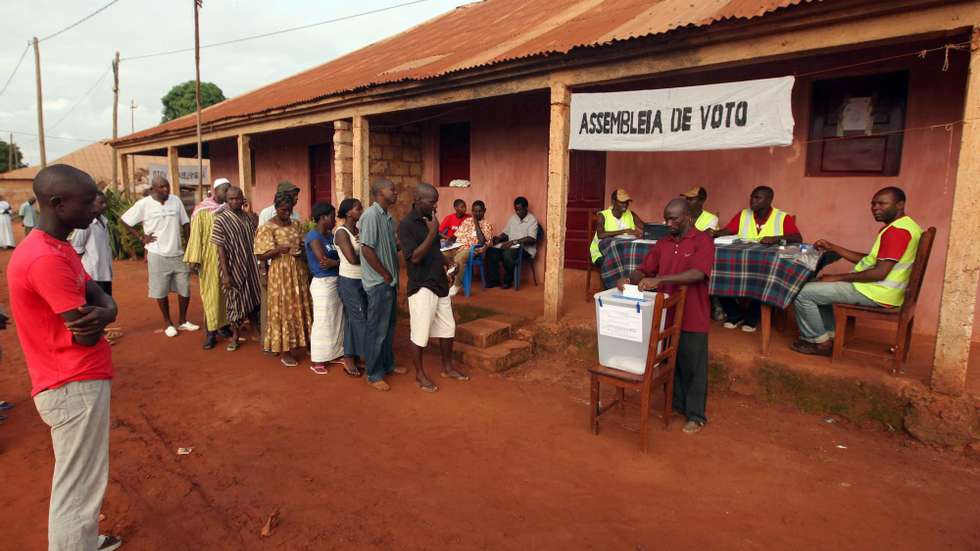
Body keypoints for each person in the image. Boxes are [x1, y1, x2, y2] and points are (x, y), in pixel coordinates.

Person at [8, 164, 123, 551]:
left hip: (74, 378)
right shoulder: (44, 259)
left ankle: (84, 540)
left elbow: (97, 296)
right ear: (58, 204)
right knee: (78, 483)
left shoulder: (58, 247)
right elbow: (87, 334)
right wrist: (106, 312)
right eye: (87, 200)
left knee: (84, 477)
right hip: (71, 381)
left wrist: (108, 309)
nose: (96, 206)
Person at [617, 198, 714, 435]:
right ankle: (676, 405)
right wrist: (630, 278)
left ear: (688, 217)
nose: (669, 223)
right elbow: (645, 268)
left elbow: (697, 274)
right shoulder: (663, 243)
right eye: (666, 218)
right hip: (666, 315)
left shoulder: (703, 241)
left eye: (674, 219)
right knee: (671, 362)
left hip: (694, 314)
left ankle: (695, 415)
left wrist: (661, 280)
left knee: (693, 366)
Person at [790, 187, 922, 356]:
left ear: (900, 205)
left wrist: (837, 277)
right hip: (885, 290)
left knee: (801, 292)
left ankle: (818, 342)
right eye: (873, 204)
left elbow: (879, 273)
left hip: (877, 291)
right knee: (818, 286)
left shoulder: (896, 232)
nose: (875, 208)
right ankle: (831, 336)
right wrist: (833, 247)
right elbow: (871, 261)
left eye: (882, 203)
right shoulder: (908, 227)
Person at [398, 183, 470, 392]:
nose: (435, 207)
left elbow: (435, 251)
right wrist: (432, 232)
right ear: (418, 200)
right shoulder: (406, 225)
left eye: (436, 202)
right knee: (420, 332)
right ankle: (420, 374)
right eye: (432, 202)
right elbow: (415, 257)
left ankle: (448, 367)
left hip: (438, 282)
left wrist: (449, 263)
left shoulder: (429, 220)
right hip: (421, 285)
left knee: (448, 328)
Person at [714, 186, 802, 332]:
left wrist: (776, 238)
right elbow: (728, 231)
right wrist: (715, 233)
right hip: (741, 262)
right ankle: (734, 313)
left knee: (764, 279)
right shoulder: (743, 214)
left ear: (769, 200)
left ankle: (752, 316)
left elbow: (797, 238)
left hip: (765, 265)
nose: (752, 201)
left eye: (757, 198)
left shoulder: (782, 217)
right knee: (718, 273)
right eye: (751, 197)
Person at [121, 176, 199, 338]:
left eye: (167, 186)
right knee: (160, 289)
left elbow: (185, 223)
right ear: (153, 189)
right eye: (162, 187)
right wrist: (142, 238)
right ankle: (168, 323)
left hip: (178, 253)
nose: (166, 190)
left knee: (184, 287)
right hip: (157, 253)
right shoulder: (144, 204)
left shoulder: (176, 201)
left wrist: (188, 246)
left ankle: (183, 321)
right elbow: (125, 221)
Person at [254, 190, 312, 367]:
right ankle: (286, 350)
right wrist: (279, 250)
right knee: (284, 309)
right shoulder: (267, 227)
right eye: (283, 210)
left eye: (289, 210)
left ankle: (306, 342)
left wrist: (301, 248)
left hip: (298, 270)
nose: (287, 213)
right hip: (280, 273)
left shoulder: (296, 224)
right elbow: (261, 255)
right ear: (276, 208)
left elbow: (302, 243)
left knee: (301, 305)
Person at [359, 179, 404, 391]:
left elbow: (391, 246)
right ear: (379, 192)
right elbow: (366, 249)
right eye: (391, 189)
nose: (395, 192)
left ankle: (387, 365)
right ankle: (373, 373)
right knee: (377, 329)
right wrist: (385, 274)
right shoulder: (370, 216)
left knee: (389, 327)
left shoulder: (388, 218)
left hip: (390, 282)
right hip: (379, 283)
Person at [212, 187, 262, 352]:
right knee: (234, 301)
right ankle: (234, 336)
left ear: (243, 200)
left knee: (254, 298)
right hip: (233, 267)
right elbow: (220, 249)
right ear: (226, 200)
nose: (235, 202)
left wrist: (255, 223)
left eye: (238, 198)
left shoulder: (248, 218)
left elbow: (257, 238)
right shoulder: (220, 219)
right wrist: (226, 274)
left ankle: (256, 330)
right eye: (231, 199)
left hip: (250, 266)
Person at [184, 177, 231, 349]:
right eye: (223, 190)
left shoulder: (229, 209)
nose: (226, 193)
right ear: (215, 191)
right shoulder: (202, 211)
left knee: (226, 294)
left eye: (228, 189)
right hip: (209, 259)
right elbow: (195, 236)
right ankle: (211, 332)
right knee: (211, 295)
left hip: (228, 258)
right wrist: (194, 260)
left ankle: (224, 326)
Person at [305, 202, 352, 375]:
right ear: (323, 217)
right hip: (323, 283)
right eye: (332, 216)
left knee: (337, 319)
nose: (335, 219)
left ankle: (334, 353)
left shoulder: (330, 235)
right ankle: (318, 359)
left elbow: (336, 260)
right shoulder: (313, 236)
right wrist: (341, 262)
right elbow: (323, 261)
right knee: (323, 321)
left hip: (336, 280)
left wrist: (338, 262)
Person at [334, 198, 366, 378]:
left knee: (354, 319)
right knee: (359, 319)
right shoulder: (341, 232)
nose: (361, 211)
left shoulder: (358, 231)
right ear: (348, 213)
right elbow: (353, 259)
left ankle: (351, 357)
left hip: (362, 281)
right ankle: (364, 356)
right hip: (349, 281)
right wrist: (373, 258)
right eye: (357, 209)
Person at [484, 196, 539, 289]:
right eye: (516, 210)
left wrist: (513, 242)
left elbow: (531, 239)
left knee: (507, 254)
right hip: (510, 246)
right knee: (490, 252)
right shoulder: (513, 218)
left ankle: (508, 281)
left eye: (520, 210)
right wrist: (499, 238)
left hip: (524, 249)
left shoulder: (532, 220)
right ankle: (494, 281)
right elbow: (506, 233)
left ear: (526, 208)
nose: (517, 212)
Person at [589, 188, 645, 268]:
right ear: (613, 202)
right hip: (600, 253)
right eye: (622, 202)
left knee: (636, 261)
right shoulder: (603, 215)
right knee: (616, 263)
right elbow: (600, 235)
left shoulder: (630, 214)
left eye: (626, 202)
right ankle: (616, 280)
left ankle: (627, 280)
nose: (625, 205)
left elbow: (644, 227)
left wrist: (658, 228)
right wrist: (625, 231)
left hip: (623, 253)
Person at [449, 200, 494, 296]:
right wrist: (449, 241)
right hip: (457, 247)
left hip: (472, 250)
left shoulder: (487, 225)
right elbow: (456, 236)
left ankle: (457, 285)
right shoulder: (466, 221)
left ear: (484, 211)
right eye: (475, 211)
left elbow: (482, 242)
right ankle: (443, 279)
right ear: (472, 211)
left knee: (460, 258)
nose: (477, 213)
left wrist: (476, 223)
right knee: (440, 254)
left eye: (479, 211)